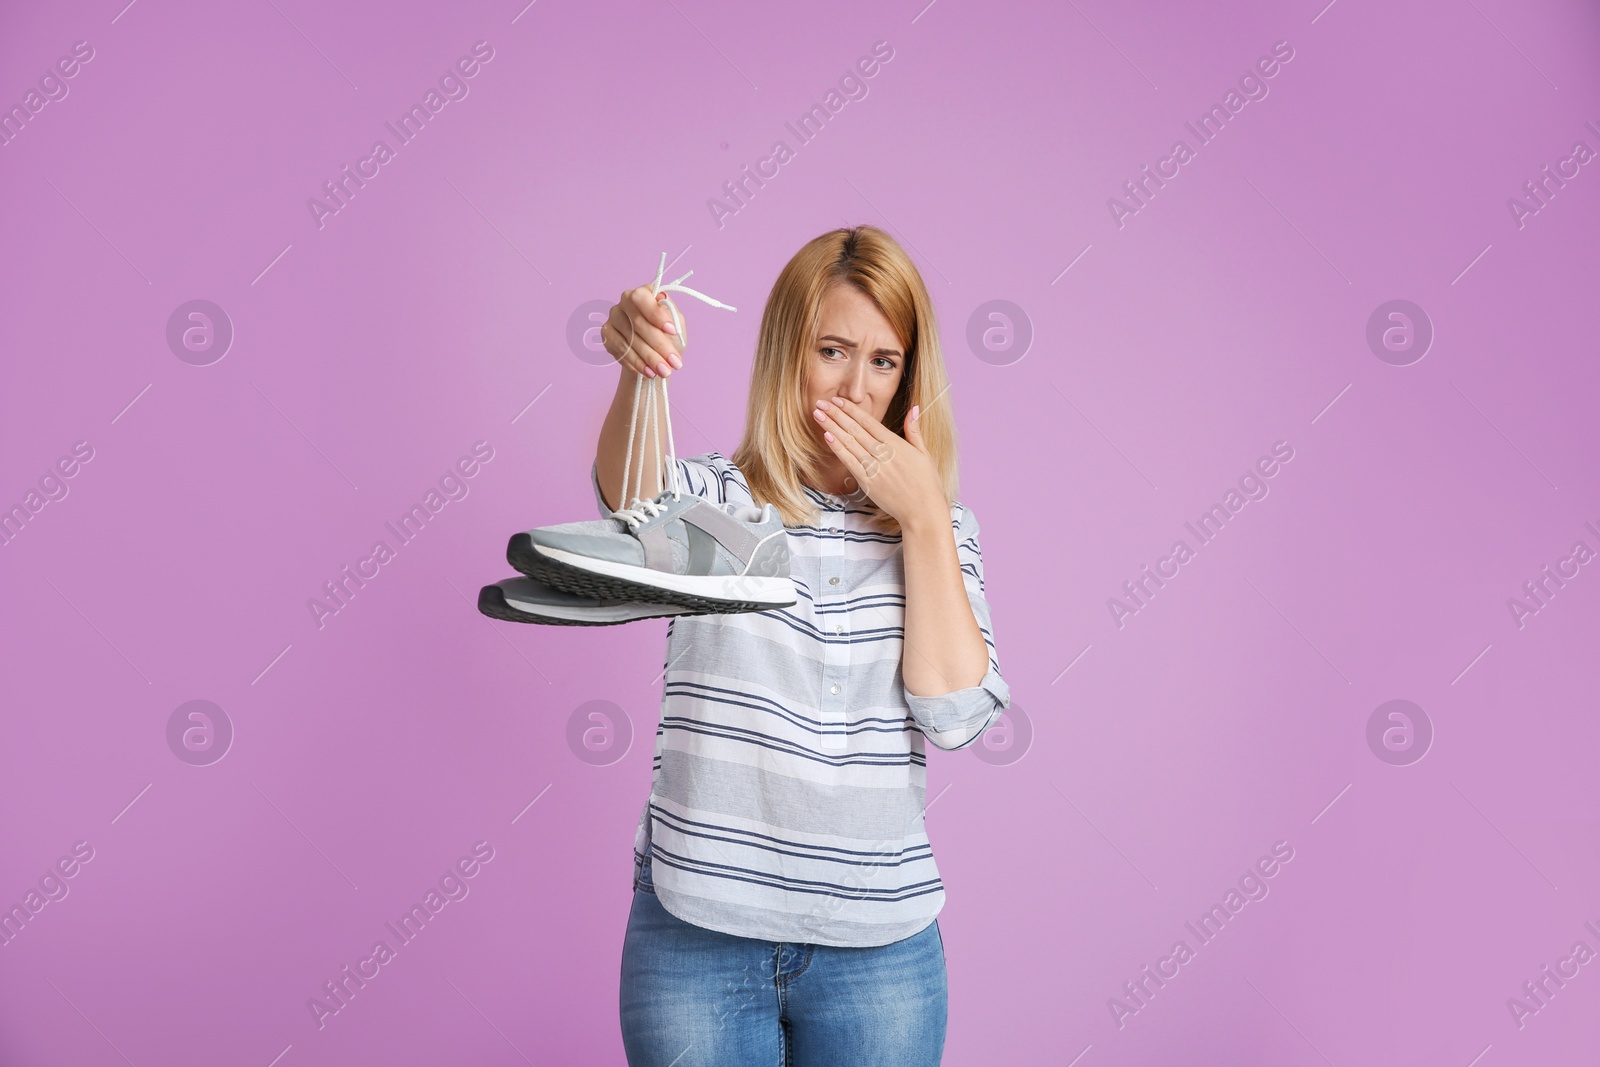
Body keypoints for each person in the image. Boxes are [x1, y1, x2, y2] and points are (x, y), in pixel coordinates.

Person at [593, 225, 1010, 1066]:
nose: (856, 389)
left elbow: (957, 711)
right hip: (697, 940)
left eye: (884, 361)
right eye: (832, 350)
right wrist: (639, 373)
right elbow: (631, 502)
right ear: (788, 351)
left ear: (908, 381)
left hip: (880, 958)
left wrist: (923, 515)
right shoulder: (715, 498)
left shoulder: (941, 533)